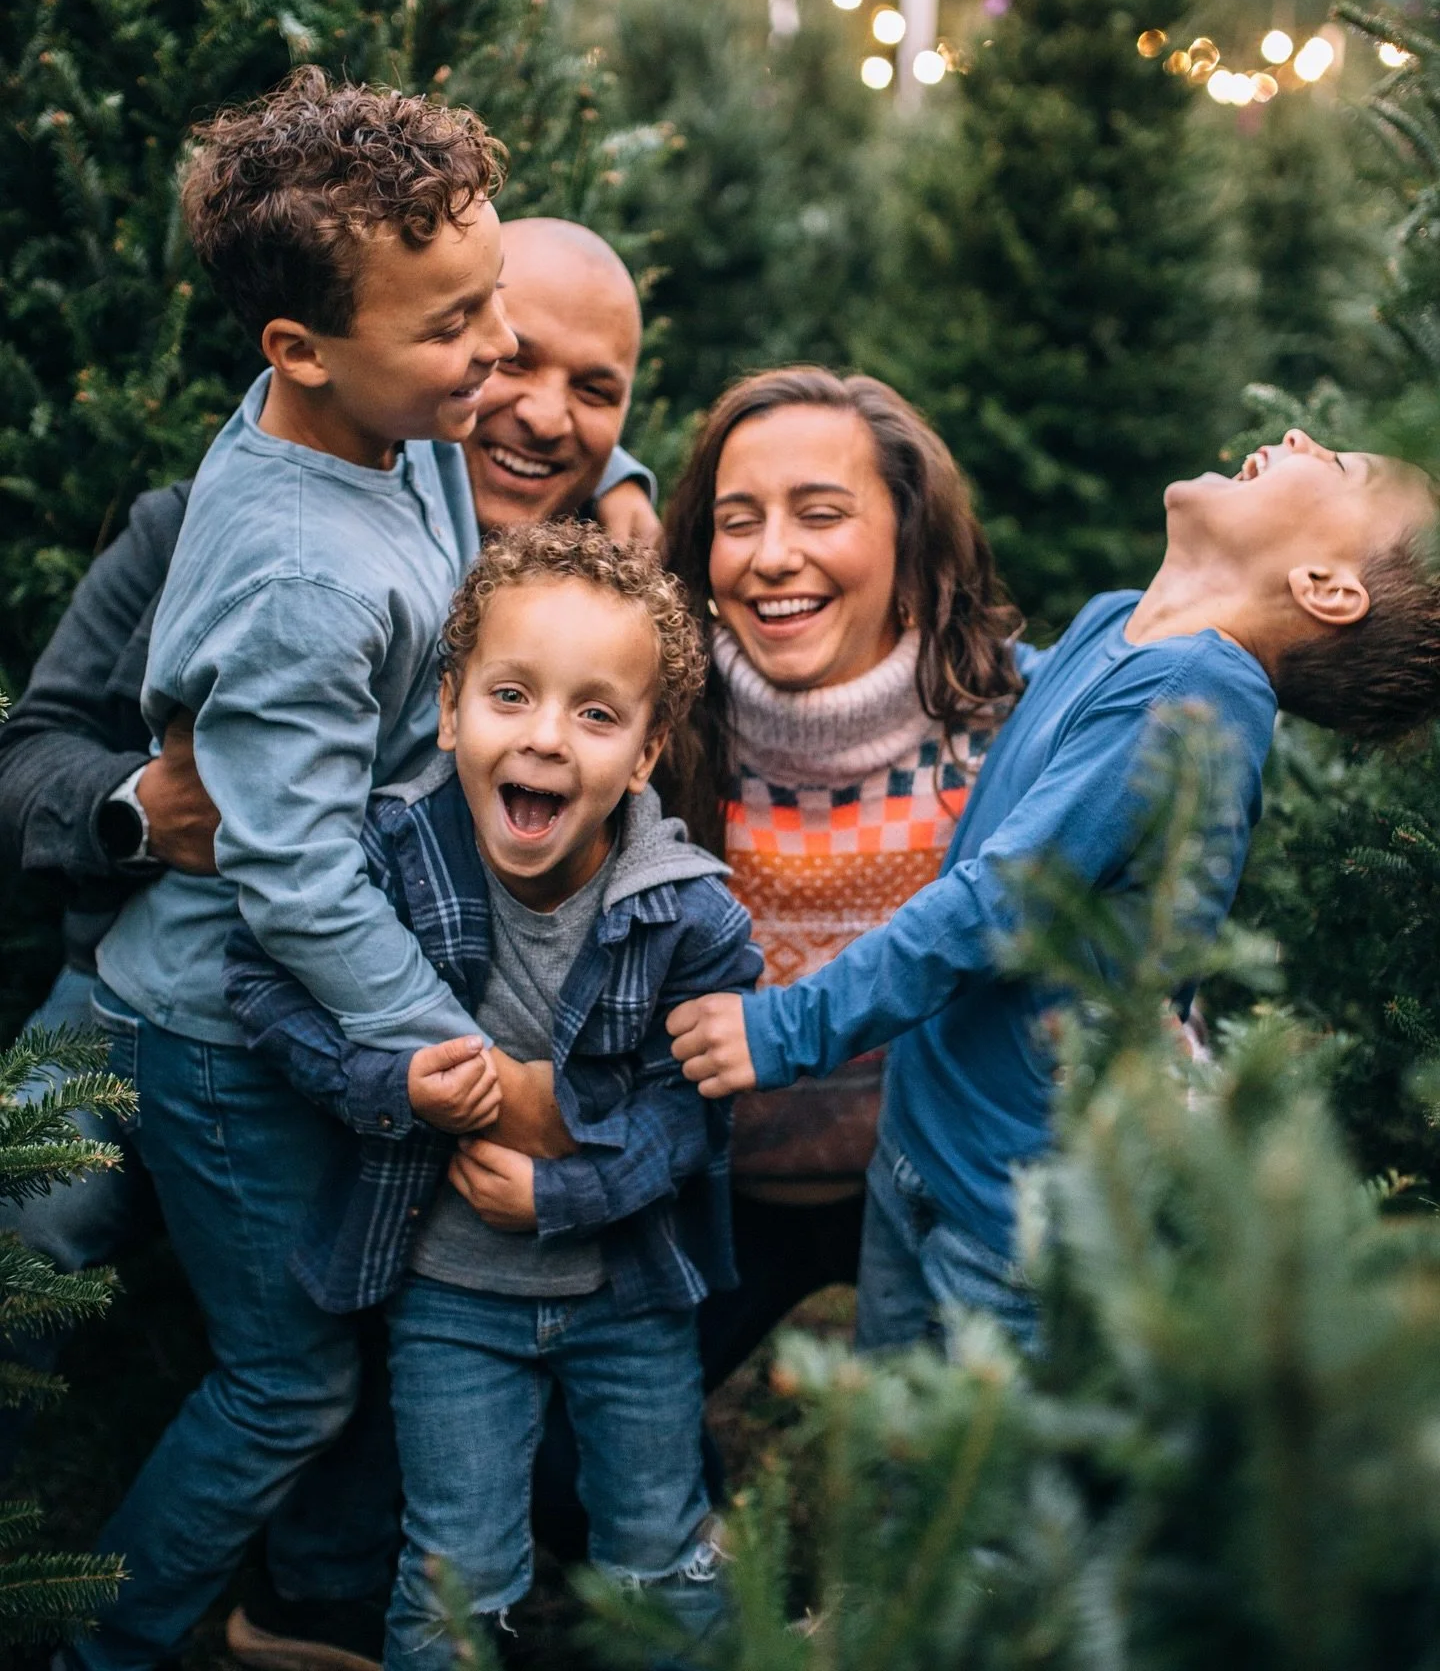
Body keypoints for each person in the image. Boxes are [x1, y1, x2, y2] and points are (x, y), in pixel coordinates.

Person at [0, 211, 662, 1667]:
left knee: (339, 1352)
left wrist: (622, 501)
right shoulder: (237, 527)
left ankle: (303, 1602)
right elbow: (34, 748)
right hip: (146, 989)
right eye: (506, 353)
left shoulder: (552, 565)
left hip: (322, 1040)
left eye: (596, 391)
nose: (534, 404)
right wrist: (135, 812)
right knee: (19, 1282)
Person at [669, 430, 1440, 1353]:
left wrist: (783, 1027)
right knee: (889, 1451)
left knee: (972, 1479)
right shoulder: (1123, 624)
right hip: (930, 1138)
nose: (1302, 436)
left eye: (1345, 465)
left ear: (1327, 587)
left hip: (1016, 1211)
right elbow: (1030, 707)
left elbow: (995, 904)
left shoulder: (1194, 692)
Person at [225, 520, 761, 1666]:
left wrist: (561, 1197)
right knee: (456, 1572)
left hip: (629, 1294)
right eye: (511, 697)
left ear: (650, 749)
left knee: (660, 1549)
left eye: (597, 714)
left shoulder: (691, 917)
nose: (548, 741)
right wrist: (391, 1083)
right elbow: (263, 987)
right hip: (451, 1299)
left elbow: (695, 1113)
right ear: (448, 707)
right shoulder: (391, 861)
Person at [660, 367, 1025, 1383]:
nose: (775, 556)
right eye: (739, 521)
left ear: (909, 545)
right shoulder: (652, 732)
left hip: (933, 1186)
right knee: (569, 1476)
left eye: (821, 514)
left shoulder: (1010, 730)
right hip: (710, 1189)